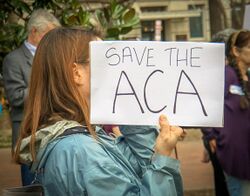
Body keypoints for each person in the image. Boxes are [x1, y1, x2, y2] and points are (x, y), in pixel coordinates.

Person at [14, 27, 184, 196]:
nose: (115, 68)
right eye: (105, 60)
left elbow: (142, 170)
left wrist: (132, 108)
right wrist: (163, 156)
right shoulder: (79, 150)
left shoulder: (85, 137)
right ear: (76, 73)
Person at [2, 9, 60, 186]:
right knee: (33, 186)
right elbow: (16, 97)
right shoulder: (14, 59)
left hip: (54, 130)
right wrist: (47, 84)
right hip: (29, 134)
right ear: (34, 31)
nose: (51, 40)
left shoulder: (54, 54)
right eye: (48, 34)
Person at [203, 30, 250, 196]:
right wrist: (211, 136)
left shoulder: (247, 77)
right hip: (234, 153)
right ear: (236, 51)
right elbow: (207, 105)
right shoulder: (225, 75)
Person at [201, 28, 237, 196]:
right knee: (224, 183)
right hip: (218, 139)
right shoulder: (215, 75)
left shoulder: (238, 74)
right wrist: (210, 136)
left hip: (231, 140)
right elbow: (205, 106)